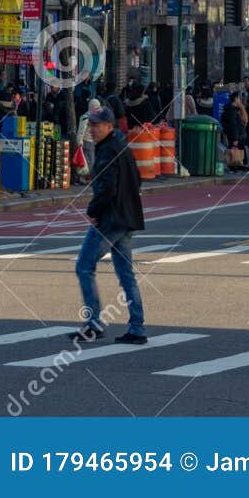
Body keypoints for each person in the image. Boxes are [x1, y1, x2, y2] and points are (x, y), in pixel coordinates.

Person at [72, 108, 147, 345]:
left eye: (97, 125)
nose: (92, 130)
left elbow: (106, 187)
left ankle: (94, 324)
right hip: (127, 217)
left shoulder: (107, 150)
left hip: (111, 219)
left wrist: (93, 211)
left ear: (109, 126)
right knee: (126, 276)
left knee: (84, 266)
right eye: (90, 125)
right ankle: (137, 328)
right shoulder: (121, 146)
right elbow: (137, 179)